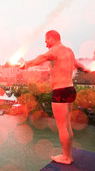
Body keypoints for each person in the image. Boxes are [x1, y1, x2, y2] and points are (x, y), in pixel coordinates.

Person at [20, 30, 89, 164]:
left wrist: (26, 64)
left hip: (60, 91)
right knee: (67, 125)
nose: (46, 45)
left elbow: (41, 58)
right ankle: (68, 155)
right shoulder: (69, 51)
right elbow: (79, 66)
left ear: (52, 38)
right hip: (70, 89)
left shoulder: (56, 50)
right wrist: (88, 69)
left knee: (62, 125)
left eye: (46, 41)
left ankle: (66, 157)